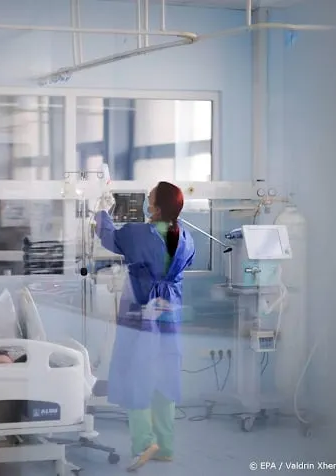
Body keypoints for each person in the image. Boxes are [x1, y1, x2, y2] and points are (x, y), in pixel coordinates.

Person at [94, 181, 195, 471]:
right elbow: (183, 264)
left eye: (149, 199)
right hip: (170, 314)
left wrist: (102, 210)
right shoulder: (187, 238)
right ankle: (165, 445)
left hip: (142, 313)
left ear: (157, 208)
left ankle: (143, 443)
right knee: (165, 376)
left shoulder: (136, 234)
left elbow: (108, 236)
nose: (145, 204)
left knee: (134, 375)